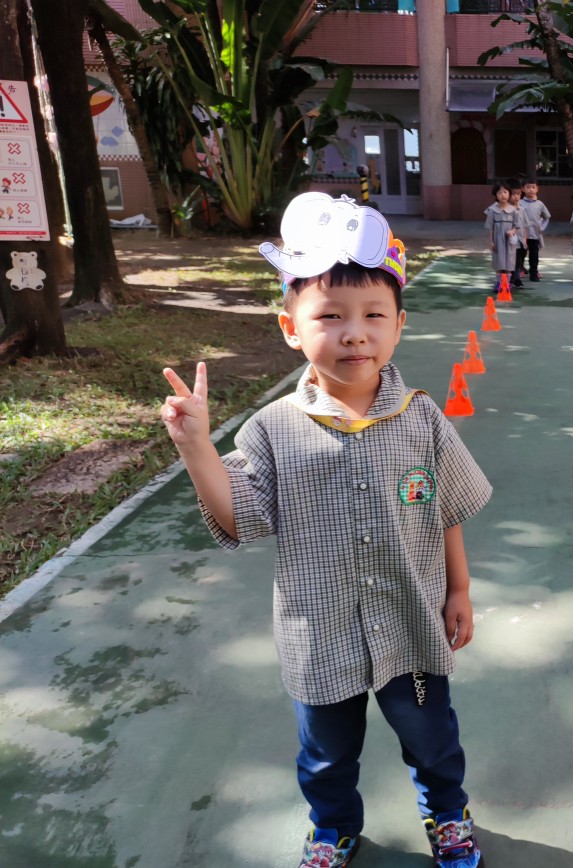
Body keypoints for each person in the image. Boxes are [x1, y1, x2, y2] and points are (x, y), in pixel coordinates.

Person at [160, 192, 492, 868]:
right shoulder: (273, 429)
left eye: (374, 315)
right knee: (326, 752)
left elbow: (446, 510)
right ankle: (333, 826)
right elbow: (239, 516)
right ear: (291, 327)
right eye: (330, 316)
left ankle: (448, 816)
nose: (354, 334)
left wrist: (458, 589)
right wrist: (196, 449)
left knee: (432, 736)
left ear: (399, 325)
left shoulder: (422, 418)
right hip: (319, 633)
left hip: (410, 624)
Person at [484, 179, 520, 293]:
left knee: (509, 262)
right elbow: (491, 228)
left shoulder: (514, 210)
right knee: (499, 262)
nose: (503, 195)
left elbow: (517, 225)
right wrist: (491, 242)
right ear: (495, 195)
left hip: (509, 241)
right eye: (499, 193)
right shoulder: (492, 211)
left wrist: (512, 231)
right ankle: (499, 283)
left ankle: (507, 284)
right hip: (497, 241)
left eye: (505, 192)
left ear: (509, 194)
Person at [519, 176, 551, 282]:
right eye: (528, 187)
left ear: (537, 189)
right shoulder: (519, 203)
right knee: (520, 254)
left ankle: (533, 273)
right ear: (523, 189)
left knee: (534, 255)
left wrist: (542, 227)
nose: (531, 190)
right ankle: (519, 270)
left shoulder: (540, 204)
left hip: (534, 234)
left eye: (533, 187)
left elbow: (546, 217)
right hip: (521, 235)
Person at [508, 178, 526, 287]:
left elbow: (524, 225)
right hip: (509, 240)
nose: (516, 196)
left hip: (519, 240)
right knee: (510, 260)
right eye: (513, 194)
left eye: (518, 194)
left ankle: (516, 277)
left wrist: (525, 239)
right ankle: (512, 279)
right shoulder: (504, 209)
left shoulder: (522, 209)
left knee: (519, 260)